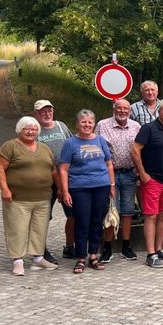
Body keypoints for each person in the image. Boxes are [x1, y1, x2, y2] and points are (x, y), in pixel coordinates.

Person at [0, 117, 60, 276]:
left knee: (40, 229)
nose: (31, 132)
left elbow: (53, 171)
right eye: (26, 129)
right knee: (17, 229)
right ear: (19, 130)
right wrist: (4, 188)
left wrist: (61, 189)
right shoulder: (10, 146)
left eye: (34, 129)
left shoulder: (44, 148)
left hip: (43, 197)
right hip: (18, 198)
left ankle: (38, 259)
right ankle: (17, 261)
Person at [59, 110, 114, 273]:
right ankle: (80, 257)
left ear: (94, 124)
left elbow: (109, 164)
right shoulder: (70, 143)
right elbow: (63, 169)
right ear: (77, 124)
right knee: (82, 222)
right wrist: (65, 191)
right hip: (79, 187)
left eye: (90, 122)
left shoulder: (100, 140)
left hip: (101, 186)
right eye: (84, 122)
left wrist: (112, 185)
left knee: (97, 222)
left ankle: (93, 256)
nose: (87, 125)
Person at [132, 98, 163, 268]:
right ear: (159, 111)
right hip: (152, 180)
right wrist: (143, 173)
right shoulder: (148, 129)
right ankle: (150, 254)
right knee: (151, 216)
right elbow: (135, 150)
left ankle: (159, 248)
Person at [96, 99, 141, 261]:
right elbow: (96, 147)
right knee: (110, 210)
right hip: (110, 174)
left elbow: (140, 150)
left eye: (126, 108)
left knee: (128, 211)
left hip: (129, 173)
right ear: (114, 109)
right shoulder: (103, 125)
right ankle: (107, 247)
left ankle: (126, 246)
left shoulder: (136, 126)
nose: (122, 111)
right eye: (119, 108)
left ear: (130, 110)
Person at [32, 99, 71, 263]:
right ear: (36, 114)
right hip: (45, 181)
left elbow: (71, 145)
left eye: (49, 110)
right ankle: (40, 250)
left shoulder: (61, 126)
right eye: (43, 111)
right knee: (43, 216)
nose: (47, 114)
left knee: (73, 213)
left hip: (66, 178)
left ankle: (70, 246)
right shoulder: (33, 130)